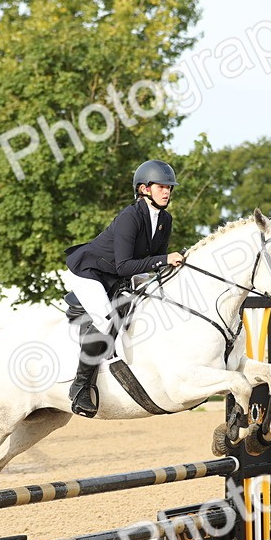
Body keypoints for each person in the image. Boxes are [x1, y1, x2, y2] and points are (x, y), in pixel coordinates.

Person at [63, 159, 182, 418]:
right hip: (91, 273)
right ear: (143, 189)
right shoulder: (131, 216)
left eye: (169, 187)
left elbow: (155, 264)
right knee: (106, 321)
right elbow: (126, 265)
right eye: (161, 186)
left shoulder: (164, 220)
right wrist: (164, 260)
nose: (167, 191)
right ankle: (81, 386)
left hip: (119, 277)